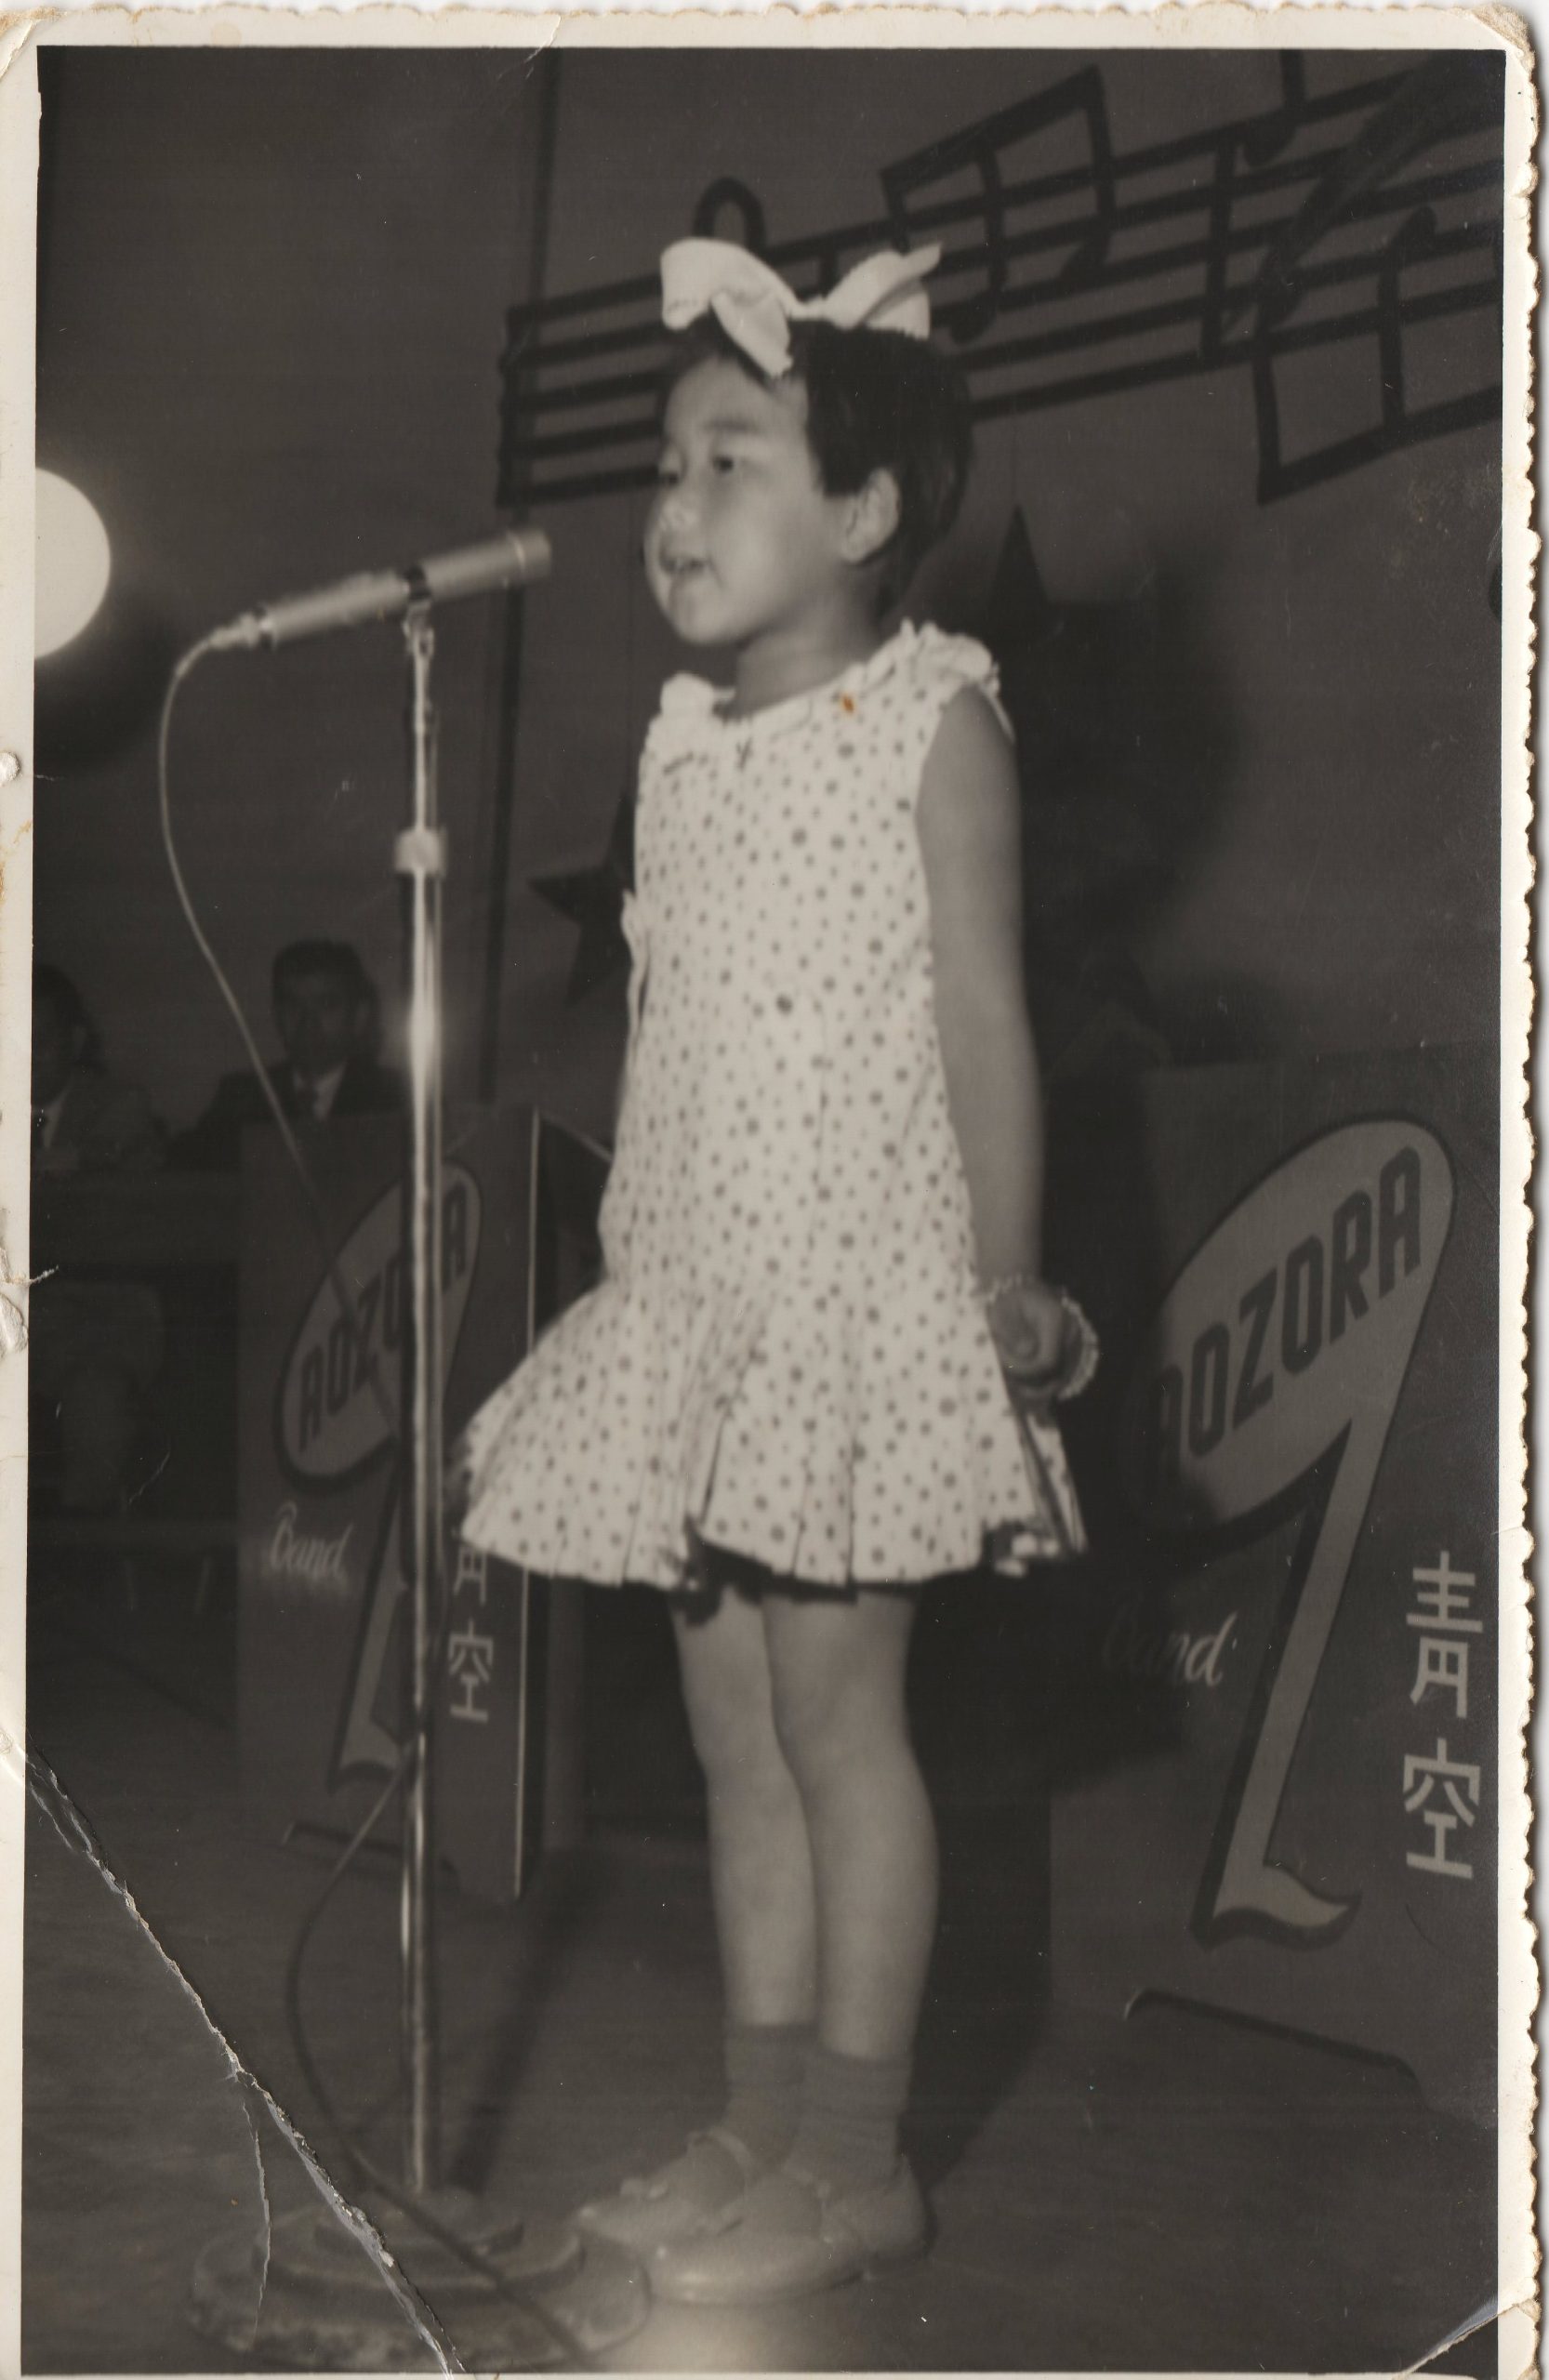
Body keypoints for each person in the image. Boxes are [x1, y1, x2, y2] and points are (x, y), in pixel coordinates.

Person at [455, 238, 1096, 2307]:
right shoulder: (679, 746)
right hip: (702, 1301)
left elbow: (984, 1019)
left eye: (731, 459)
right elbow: (669, 1025)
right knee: (731, 1740)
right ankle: (755, 2121)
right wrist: (636, 1274)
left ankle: (856, 2158)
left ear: (866, 506)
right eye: (665, 465)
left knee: (838, 1726)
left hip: (855, 1307)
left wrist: (1006, 1279)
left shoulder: (931, 720)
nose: (675, 502)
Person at [31, 964, 165, 1512]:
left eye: (41, 1039)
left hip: (101, 1321)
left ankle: (88, 1547)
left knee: (97, 1400)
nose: (23, 1054)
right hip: (22, 1323)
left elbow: (118, 1142)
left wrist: (74, 1159)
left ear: (76, 1040)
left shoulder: (118, 1104)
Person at [173, 939, 398, 1169]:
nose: (307, 1023)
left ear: (359, 1016)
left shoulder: (394, 1097)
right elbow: (188, 1165)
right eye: (293, 1006)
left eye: (326, 1005)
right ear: (276, 1014)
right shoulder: (243, 1096)